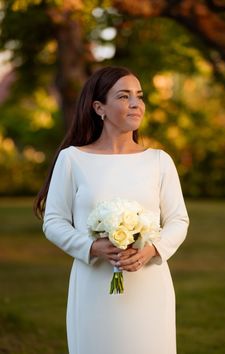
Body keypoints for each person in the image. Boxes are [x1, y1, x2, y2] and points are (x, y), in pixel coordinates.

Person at [34, 66, 189, 354]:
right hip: (94, 284)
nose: (135, 104)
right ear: (99, 108)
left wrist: (151, 250)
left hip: (149, 284)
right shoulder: (72, 160)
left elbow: (178, 219)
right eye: (123, 96)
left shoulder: (159, 161)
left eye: (139, 96)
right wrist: (92, 246)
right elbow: (54, 221)